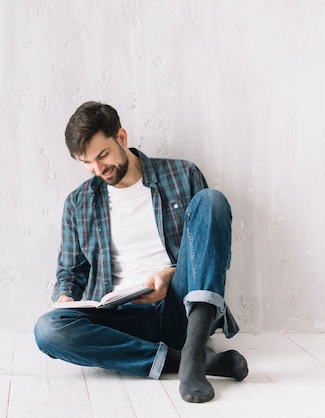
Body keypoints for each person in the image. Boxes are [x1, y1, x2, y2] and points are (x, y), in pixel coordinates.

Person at [34, 101, 248, 403]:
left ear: (121, 137)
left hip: (180, 308)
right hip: (123, 319)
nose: (98, 169)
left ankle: (195, 345)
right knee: (48, 330)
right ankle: (190, 360)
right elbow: (70, 272)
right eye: (87, 162)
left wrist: (171, 275)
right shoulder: (78, 203)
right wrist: (65, 298)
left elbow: (210, 251)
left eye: (103, 155)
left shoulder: (182, 174)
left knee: (211, 201)